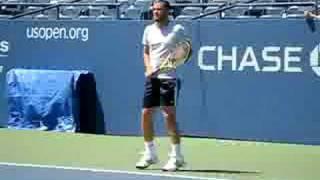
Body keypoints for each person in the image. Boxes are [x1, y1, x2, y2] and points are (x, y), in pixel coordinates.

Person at [135, 0, 188, 172]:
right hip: (152, 78)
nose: (155, 12)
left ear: (168, 11)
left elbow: (185, 51)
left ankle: (176, 156)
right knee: (146, 113)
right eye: (154, 9)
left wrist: (164, 67)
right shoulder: (148, 30)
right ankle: (150, 153)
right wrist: (149, 68)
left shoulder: (177, 30)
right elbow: (146, 51)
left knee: (168, 116)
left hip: (169, 78)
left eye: (159, 9)